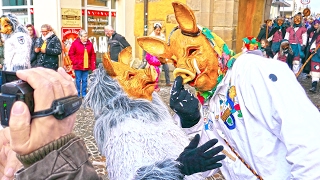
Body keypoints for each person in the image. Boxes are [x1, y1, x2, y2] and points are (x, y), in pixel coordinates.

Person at [137, 2, 320, 179]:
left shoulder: (254, 71)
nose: (184, 68)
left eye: (192, 52)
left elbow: (310, 146)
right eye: (176, 63)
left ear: (212, 45)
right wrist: (191, 121)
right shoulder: (208, 103)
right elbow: (209, 161)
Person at [68, 30, 96, 98]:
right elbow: (71, 53)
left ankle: (83, 93)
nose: (86, 38)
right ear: (80, 37)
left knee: (85, 80)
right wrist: (75, 61)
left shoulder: (90, 44)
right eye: (84, 36)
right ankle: (78, 92)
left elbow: (92, 55)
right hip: (78, 65)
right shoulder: (75, 43)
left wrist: (93, 66)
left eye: (86, 36)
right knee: (78, 80)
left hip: (86, 65)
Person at [308, 26, 320, 93]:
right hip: (316, 53)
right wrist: (313, 49)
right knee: (315, 70)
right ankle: (314, 86)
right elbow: (313, 42)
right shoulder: (317, 33)